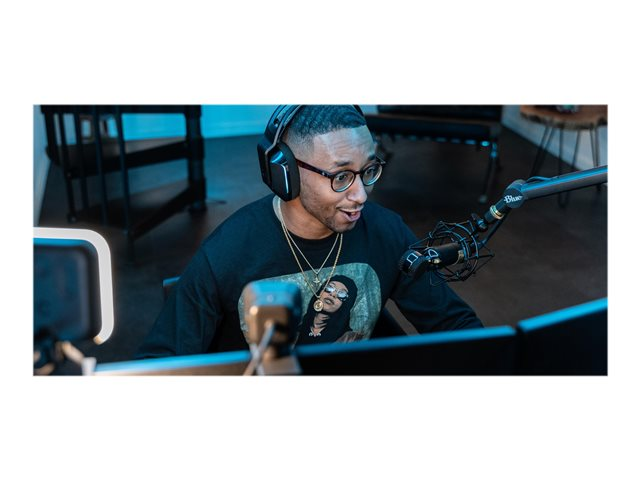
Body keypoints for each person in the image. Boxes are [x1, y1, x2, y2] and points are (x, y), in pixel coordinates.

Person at [137, 105, 482, 358]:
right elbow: (160, 362)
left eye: (369, 170)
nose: (361, 194)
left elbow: (455, 325)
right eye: (341, 176)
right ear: (285, 173)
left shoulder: (386, 230)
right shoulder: (227, 252)